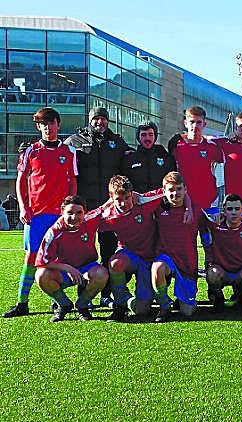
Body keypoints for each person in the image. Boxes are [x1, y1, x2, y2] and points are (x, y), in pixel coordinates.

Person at [4, 107, 78, 318]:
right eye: (43, 124)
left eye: (51, 123)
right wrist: (23, 207)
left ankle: (58, 301)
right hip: (36, 216)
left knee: (59, 258)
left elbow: (73, 182)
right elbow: (20, 181)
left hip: (59, 217)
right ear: (38, 127)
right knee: (31, 257)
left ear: (58, 125)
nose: (48, 127)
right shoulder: (31, 151)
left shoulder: (69, 152)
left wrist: (69, 211)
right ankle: (22, 303)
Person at [65, 106, 131, 308]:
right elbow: (60, 157)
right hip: (85, 208)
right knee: (84, 253)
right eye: (96, 119)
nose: (100, 122)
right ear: (90, 120)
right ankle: (84, 295)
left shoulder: (117, 142)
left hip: (108, 207)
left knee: (109, 251)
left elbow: (131, 160)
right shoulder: (75, 141)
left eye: (103, 119)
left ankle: (106, 294)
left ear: (107, 121)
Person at [98, 175, 171, 320]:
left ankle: (140, 299)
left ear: (132, 194)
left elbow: (171, 190)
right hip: (130, 255)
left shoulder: (144, 201)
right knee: (115, 263)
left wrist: (188, 208)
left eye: (127, 197)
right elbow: (82, 221)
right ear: (111, 197)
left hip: (151, 257)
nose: (123, 203)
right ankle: (120, 303)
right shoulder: (107, 215)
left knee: (141, 310)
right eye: (118, 199)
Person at [34, 195, 108, 322]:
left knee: (102, 274)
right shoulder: (54, 232)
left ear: (84, 212)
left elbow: (106, 206)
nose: (74, 217)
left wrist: (135, 195)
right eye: (69, 213)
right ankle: (63, 304)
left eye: (79, 213)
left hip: (87, 269)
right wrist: (68, 268)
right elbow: (42, 261)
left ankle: (82, 305)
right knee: (41, 275)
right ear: (62, 212)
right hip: (64, 273)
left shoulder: (90, 219)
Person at [151, 172, 207, 322]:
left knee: (187, 312)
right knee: (157, 268)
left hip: (187, 262)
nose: (175, 193)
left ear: (185, 189)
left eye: (179, 189)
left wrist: (209, 257)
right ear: (163, 191)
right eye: (171, 190)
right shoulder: (157, 207)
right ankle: (164, 306)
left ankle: (184, 299)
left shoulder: (195, 210)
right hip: (167, 258)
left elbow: (206, 232)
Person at [171, 106, 221, 212]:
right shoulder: (177, 145)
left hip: (209, 202)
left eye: (199, 122)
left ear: (204, 124)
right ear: (185, 123)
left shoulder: (211, 146)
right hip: (184, 203)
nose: (195, 126)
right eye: (192, 122)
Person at [121, 121, 176, 193]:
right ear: (138, 137)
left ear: (155, 136)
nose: (147, 138)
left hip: (160, 199)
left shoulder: (166, 159)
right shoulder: (129, 159)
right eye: (143, 135)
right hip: (137, 199)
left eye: (150, 134)